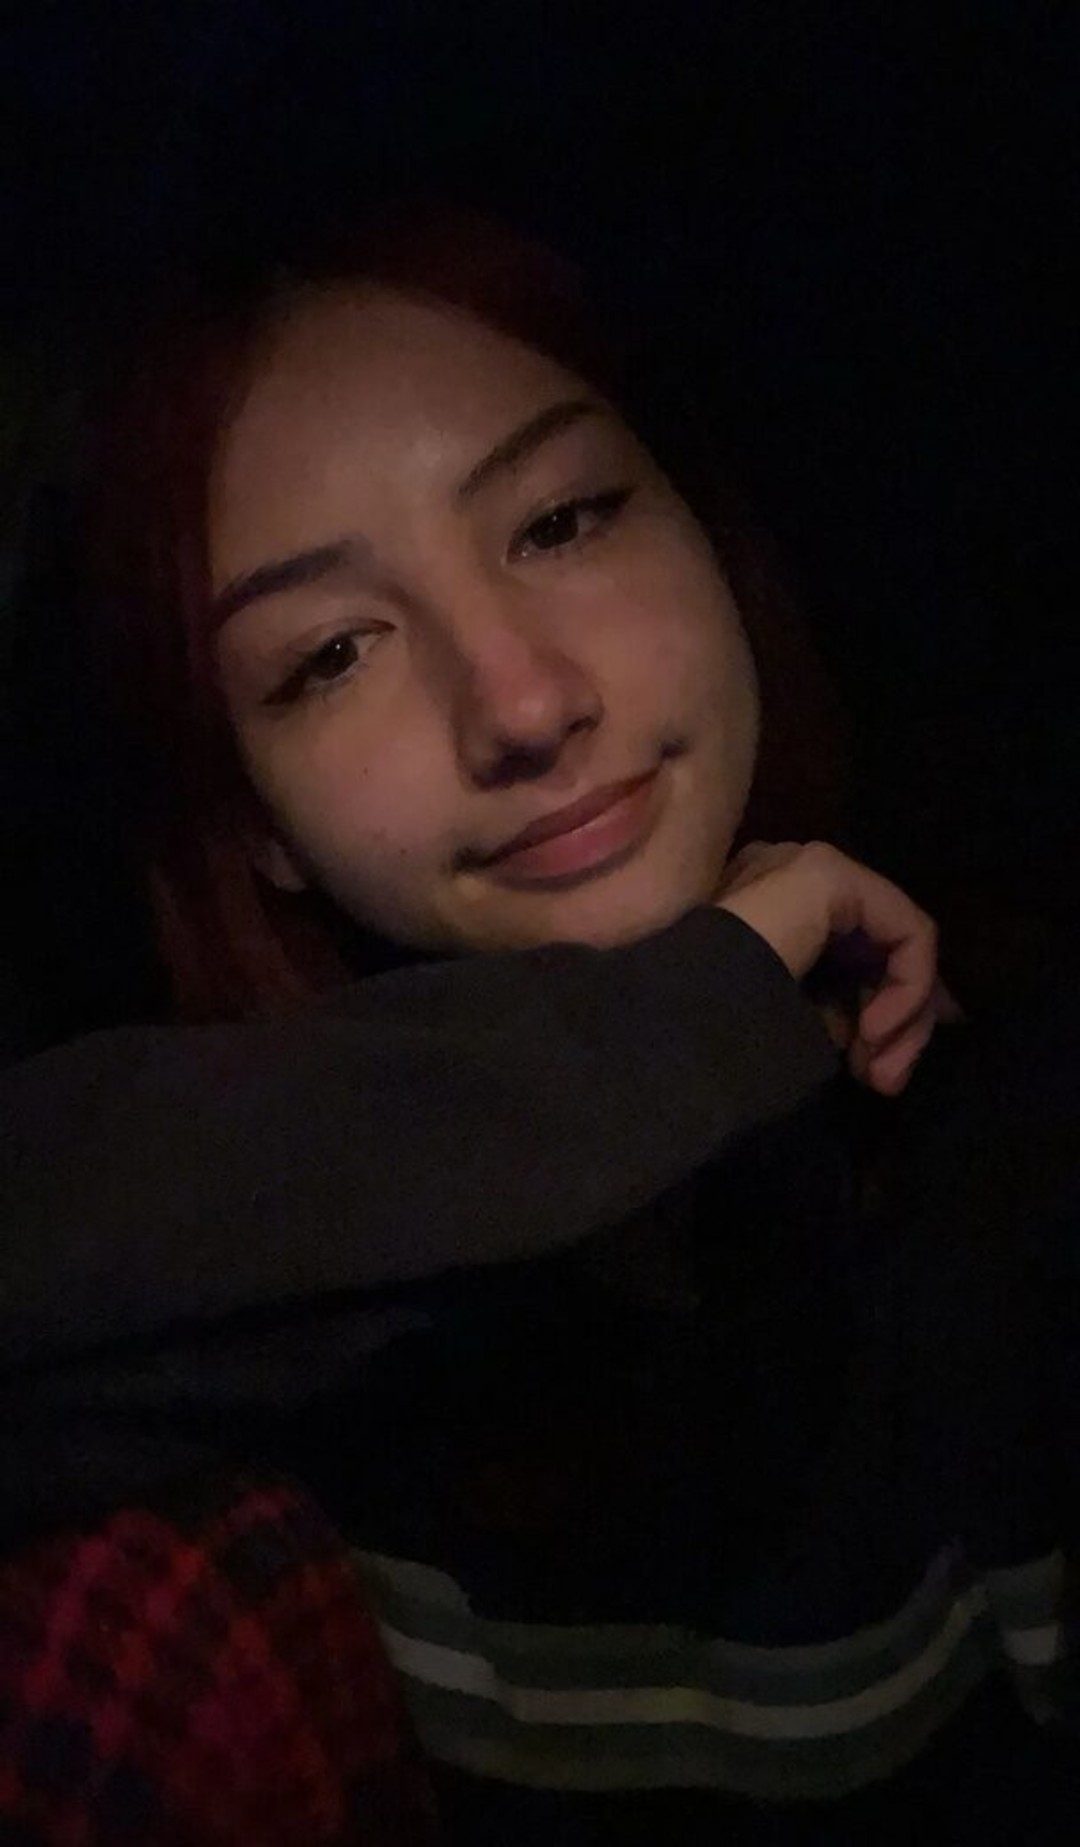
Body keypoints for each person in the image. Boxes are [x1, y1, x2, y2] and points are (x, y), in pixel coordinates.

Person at [2, 203, 1071, 1842]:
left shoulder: (1012, 1123)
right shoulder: (270, 1284)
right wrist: (679, 1020)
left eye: (564, 521)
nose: (519, 701)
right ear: (255, 822)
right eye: (331, 654)